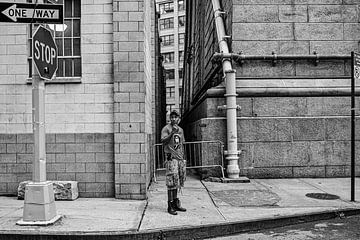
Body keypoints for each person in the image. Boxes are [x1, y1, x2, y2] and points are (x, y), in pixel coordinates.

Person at [161, 110, 187, 215]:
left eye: (175, 117)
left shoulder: (181, 130)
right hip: (171, 158)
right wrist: (172, 133)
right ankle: (170, 205)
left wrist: (183, 158)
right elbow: (163, 141)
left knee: (177, 182)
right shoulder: (166, 128)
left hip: (180, 159)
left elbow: (182, 144)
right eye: (172, 117)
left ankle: (176, 202)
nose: (173, 119)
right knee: (171, 183)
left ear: (179, 118)